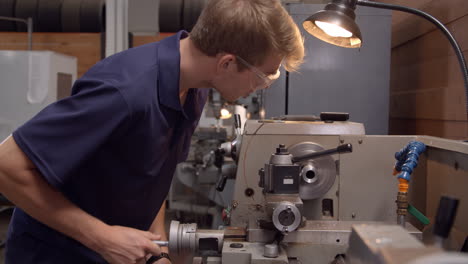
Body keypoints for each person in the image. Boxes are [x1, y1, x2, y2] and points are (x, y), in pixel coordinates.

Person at [0, 0, 304, 263]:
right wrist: (103, 238)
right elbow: (6, 165)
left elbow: (153, 170)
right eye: (263, 78)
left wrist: (156, 248)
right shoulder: (124, 92)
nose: (261, 86)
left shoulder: (193, 89)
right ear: (226, 63)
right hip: (54, 255)